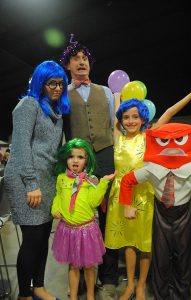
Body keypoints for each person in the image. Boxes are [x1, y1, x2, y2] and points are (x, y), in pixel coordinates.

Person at [104, 89, 191, 300]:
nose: (130, 121)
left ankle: (140, 286)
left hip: (145, 196)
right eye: (126, 117)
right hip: (123, 196)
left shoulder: (149, 136)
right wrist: (116, 96)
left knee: (145, 243)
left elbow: (168, 113)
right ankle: (129, 285)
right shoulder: (118, 137)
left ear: (142, 119)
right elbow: (114, 116)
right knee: (128, 242)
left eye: (135, 117)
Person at [4, 60, 70, 300]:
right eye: (51, 83)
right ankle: (24, 294)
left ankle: (39, 286)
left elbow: (51, 152)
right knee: (32, 239)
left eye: (61, 83)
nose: (57, 88)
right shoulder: (28, 105)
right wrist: (31, 184)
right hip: (25, 178)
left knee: (43, 237)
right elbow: (20, 148)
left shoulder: (57, 112)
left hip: (47, 179)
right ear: (41, 82)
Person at [60, 34, 117, 299]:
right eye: (76, 59)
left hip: (105, 155)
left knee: (108, 214)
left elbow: (112, 126)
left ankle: (108, 275)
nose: (81, 62)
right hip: (79, 160)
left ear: (89, 64)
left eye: (85, 59)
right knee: (79, 216)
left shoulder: (105, 91)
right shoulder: (62, 93)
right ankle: (81, 275)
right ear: (68, 65)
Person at [51, 138, 116, 300]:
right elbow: (58, 196)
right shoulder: (61, 178)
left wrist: (103, 184)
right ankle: (73, 296)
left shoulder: (91, 180)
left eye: (80, 157)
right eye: (71, 156)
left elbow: (94, 201)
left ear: (87, 161)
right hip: (68, 230)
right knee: (72, 265)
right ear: (65, 158)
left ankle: (90, 295)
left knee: (89, 266)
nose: (75, 160)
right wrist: (55, 208)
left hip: (87, 230)